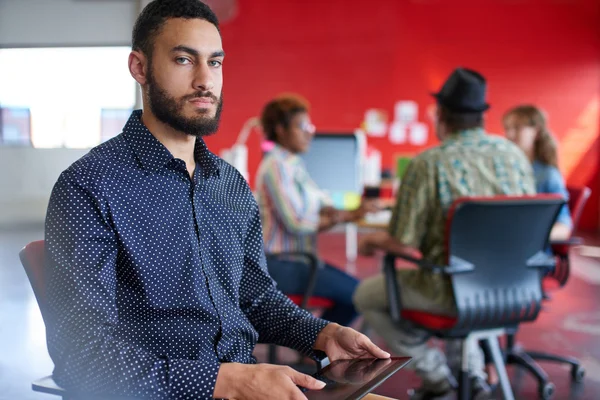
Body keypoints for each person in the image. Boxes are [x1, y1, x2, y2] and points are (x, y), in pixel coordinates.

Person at [44, 1, 389, 399]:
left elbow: (254, 297)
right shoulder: (90, 186)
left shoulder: (228, 183)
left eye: (216, 62)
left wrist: (322, 332)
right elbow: (80, 355)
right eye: (184, 60)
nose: (205, 80)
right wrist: (223, 380)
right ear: (139, 68)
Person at [352, 68, 536, 399]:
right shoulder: (515, 157)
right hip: (515, 291)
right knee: (462, 286)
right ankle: (472, 374)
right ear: (481, 116)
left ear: (442, 116)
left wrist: (370, 241)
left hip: (453, 293)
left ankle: (438, 379)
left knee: (367, 294)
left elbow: (403, 241)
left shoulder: (429, 163)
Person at [255, 94, 374, 328]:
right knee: (359, 295)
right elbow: (297, 223)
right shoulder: (276, 167)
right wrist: (349, 215)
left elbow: (320, 201)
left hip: (300, 261)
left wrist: (346, 210)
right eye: (302, 126)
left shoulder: (294, 164)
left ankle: (315, 345)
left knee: (355, 292)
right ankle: (317, 346)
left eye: (310, 126)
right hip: (280, 264)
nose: (310, 132)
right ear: (280, 130)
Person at [503, 105, 572, 240]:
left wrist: (530, 236)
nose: (510, 135)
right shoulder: (507, 170)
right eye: (507, 129)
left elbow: (564, 227)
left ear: (537, 131)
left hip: (527, 250)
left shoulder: (547, 175)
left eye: (517, 128)